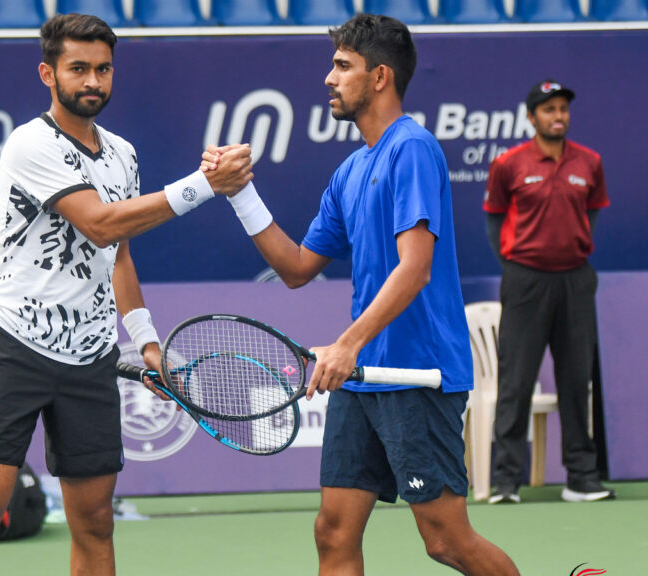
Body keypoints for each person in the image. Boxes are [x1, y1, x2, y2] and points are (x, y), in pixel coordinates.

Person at [204, 13, 519, 576]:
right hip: (363, 379)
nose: (329, 78)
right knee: (333, 530)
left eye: (342, 66)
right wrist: (239, 194)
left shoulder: (412, 149)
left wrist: (345, 344)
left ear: (379, 77)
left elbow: (415, 268)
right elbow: (298, 267)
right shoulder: (350, 170)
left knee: (445, 540)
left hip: (416, 375)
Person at [0, 14, 252, 576]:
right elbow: (102, 224)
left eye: (103, 70)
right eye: (78, 68)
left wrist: (147, 343)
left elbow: (119, 255)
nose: (92, 82)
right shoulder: (30, 143)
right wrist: (206, 185)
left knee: (94, 521)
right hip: (14, 344)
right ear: (47, 73)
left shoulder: (123, 155)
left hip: (90, 357)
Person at [483, 80, 613, 505]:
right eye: (549, 109)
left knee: (577, 380)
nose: (558, 116)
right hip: (525, 282)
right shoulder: (509, 165)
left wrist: (570, 252)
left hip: (576, 280)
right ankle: (505, 482)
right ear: (531, 117)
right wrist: (516, 267)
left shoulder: (590, 162)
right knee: (516, 382)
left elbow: (590, 214)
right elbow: (494, 219)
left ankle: (581, 478)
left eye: (563, 109)